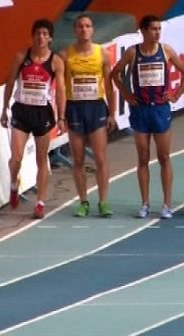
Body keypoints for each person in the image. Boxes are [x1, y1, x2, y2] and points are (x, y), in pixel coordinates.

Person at [111, 15, 184, 219]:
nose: (158, 32)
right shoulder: (133, 52)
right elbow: (115, 74)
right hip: (141, 110)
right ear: (144, 31)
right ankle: (145, 203)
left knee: (164, 157)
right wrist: (127, 95)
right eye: (154, 29)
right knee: (143, 158)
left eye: (159, 29)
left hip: (161, 109)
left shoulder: (166, 50)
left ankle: (166, 204)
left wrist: (176, 94)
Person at [1, 19, 66, 219]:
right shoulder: (21, 57)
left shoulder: (56, 61)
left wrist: (62, 117)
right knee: (17, 157)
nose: (41, 37)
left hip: (42, 113)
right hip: (21, 111)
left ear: (50, 38)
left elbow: (61, 90)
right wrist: (4, 109)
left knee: (41, 159)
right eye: (38, 33)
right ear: (33, 36)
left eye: (45, 34)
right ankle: (14, 184)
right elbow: (10, 82)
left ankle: (40, 202)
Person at [58, 14, 117, 219]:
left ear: (93, 30)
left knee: (100, 157)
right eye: (80, 26)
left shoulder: (103, 54)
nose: (84, 29)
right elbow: (61, 89)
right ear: (75, 30)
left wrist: (112, 113)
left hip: (96, 108)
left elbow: (110, 87)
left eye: (88, 26)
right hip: (75, 109)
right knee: (78, 159)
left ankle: (103, 201)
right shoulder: (65, 55)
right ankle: (83, 202)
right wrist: (61, 114)